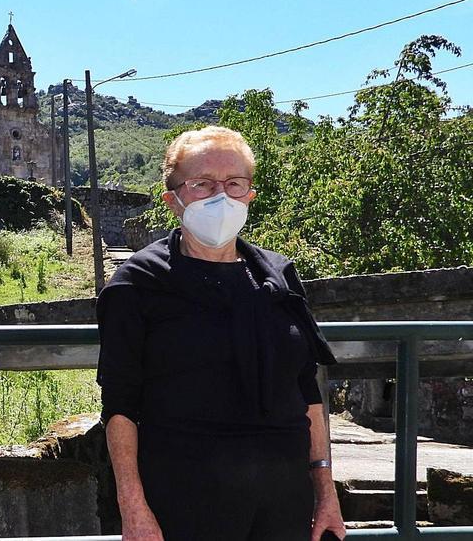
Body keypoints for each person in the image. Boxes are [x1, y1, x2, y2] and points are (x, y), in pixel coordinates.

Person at [97, 126, 347, 541]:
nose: (221, 195)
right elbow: (120, 405)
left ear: (250, 193)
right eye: (202, 184)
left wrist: (325, 493)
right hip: (184, 500)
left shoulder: (278, 276)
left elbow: (307, 392)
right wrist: (133, 507)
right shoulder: (137, 283)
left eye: (234, 183)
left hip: (284, 502)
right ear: (172, 200)